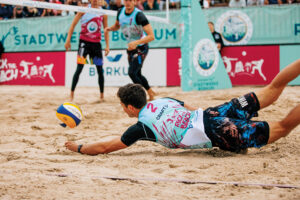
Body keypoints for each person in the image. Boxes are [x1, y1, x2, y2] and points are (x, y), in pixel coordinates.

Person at [65, 59, 300, 155]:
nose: (122, 109)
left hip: (215, 129)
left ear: (129, 107)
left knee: (281, 128)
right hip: (213, 112)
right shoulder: (162, 100)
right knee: (272, 89)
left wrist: (78, 147)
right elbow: (190, 106)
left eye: (121, 106)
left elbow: (107, 146)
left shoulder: (141, 127)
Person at [104, 0, 156, 100]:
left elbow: (151, 36)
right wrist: (110, 28)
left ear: (135, 2)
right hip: (131, 48)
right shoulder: (120, 12)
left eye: (130, 0)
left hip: (141, 47)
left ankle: (142, 96)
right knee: (137, 73)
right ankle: (150, 92)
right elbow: (117, 26)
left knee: (132, 73)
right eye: (126, 0)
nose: (128, 2)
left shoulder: (139, 15)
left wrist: (136, 43)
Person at [65, 0, 110, 101]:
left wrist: (107, 46)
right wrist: (68, 40)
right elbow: (72, 25)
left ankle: (102, 96)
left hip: (96, 45)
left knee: (99, 70)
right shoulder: (83, 10)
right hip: (84, 44)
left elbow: (106, 30)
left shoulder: (103, 13)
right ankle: (71, 95)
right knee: (79, 68)